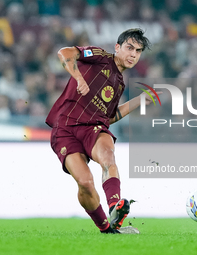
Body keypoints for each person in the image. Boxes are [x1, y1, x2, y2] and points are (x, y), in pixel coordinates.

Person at [45, 28, 155, 234]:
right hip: (65, 129)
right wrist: (78, 78)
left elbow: (108, 117)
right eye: (129, 48)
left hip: (93, 128)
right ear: (117, 47)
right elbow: (65, 53)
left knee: (107, 156)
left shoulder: (119, 83)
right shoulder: (100, 57)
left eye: (138, 51)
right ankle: (106, 228)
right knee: (85, 182)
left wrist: (138, 101)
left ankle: (115, 207)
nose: (133, 54)